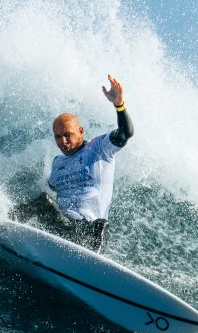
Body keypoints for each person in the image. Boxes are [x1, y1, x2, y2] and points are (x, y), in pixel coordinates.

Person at [11, 74, 134, 252]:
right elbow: (51, 189)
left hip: (88, 232)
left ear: (81, 131)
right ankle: (6, 227)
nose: (62, 141)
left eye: (67, 134)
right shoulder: (57, 163)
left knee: (99, 225)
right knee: (44, 203)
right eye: (58, 136)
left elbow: (125, 133)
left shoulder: (99, 149)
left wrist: (119, 105)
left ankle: (92, 256)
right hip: (62, 229)